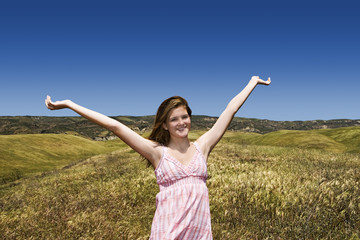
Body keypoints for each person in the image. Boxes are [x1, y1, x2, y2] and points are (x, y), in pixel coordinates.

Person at [45, 76, 271, 239]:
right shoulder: (157, 152)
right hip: (167, 233)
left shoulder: (203, 147)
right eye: (174, 119)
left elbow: (229, 111)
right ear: (164, 124)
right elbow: (115, 126)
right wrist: (69, 104)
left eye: (185, 117)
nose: (182, 123)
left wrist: (252, 82)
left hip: (199, 234)